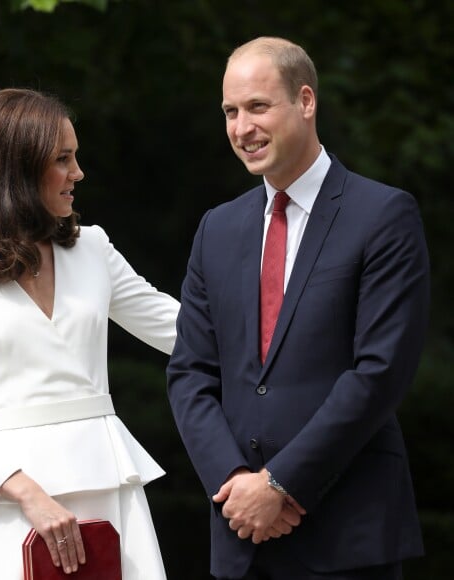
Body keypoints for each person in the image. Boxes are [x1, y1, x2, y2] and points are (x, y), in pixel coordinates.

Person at [167, 36, 430, 580]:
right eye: (231, 112)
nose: (242, 128)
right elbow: (190, 372)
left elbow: (379, 373)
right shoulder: (216, 229)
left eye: (258, 107)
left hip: (349, 534)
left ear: (305, 101)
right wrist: (237, 484)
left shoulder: (383, 215)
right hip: (241, 536)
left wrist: (281, 483)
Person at [0, 87, 179, 580]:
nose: (78, 173)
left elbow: (181, 331)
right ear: (16, 168)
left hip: (110, 483)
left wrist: (291, 329)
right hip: (15, 499)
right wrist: (28, 494)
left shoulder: (92, 247)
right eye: (63, 158)